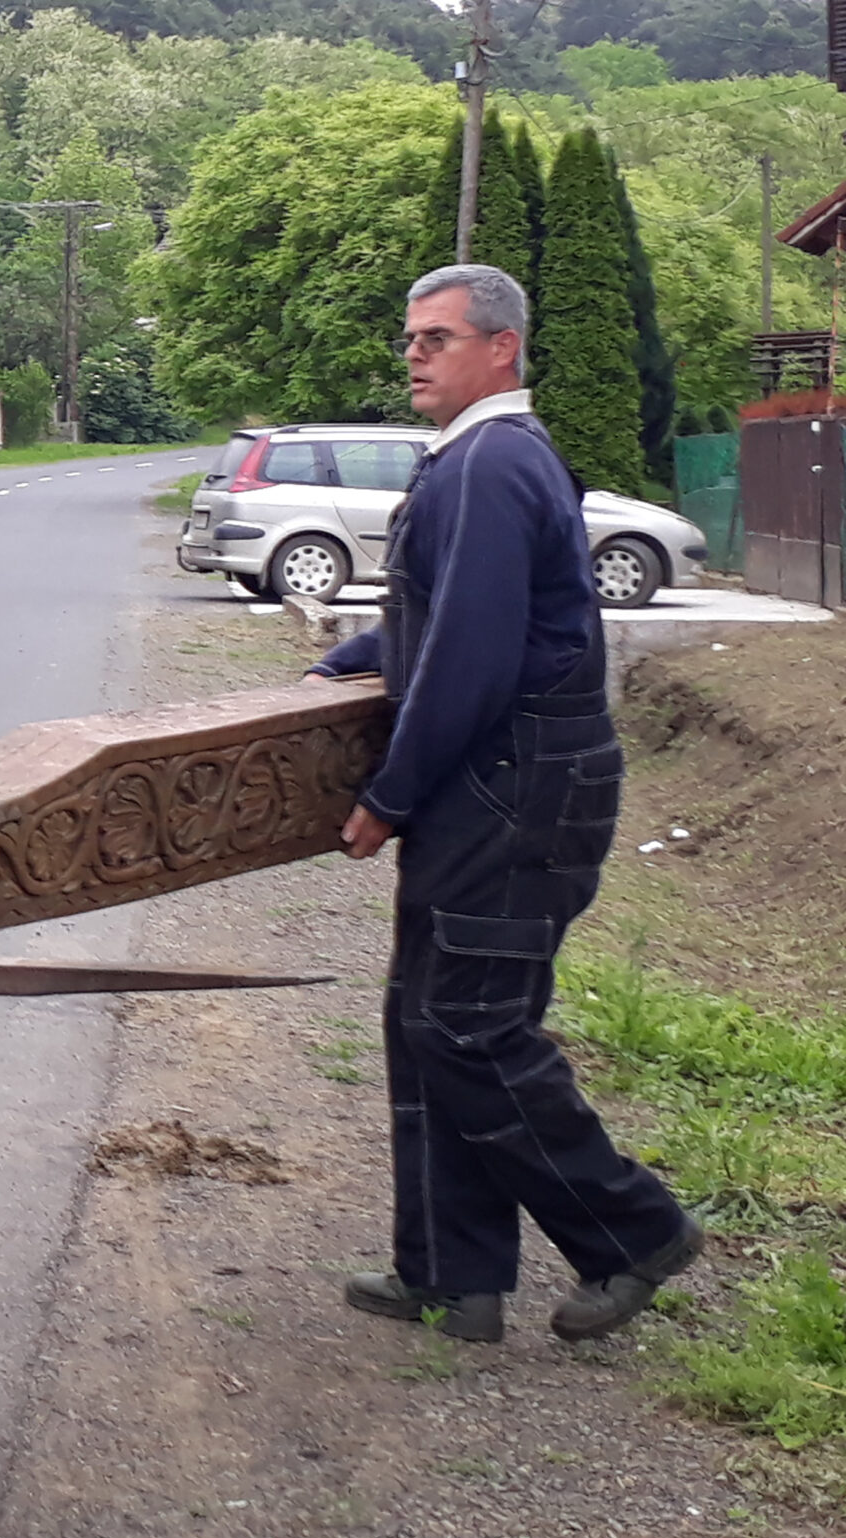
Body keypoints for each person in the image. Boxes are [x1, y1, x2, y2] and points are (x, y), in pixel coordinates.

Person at [305, 263, 702, 1345]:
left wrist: (388, 794)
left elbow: (474, 660)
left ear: (501, 350)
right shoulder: (481, 461)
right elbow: (440, 620)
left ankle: (633, 1230)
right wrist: (343, 663)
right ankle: (452, 1277)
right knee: (425, 1020)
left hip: (518, 786)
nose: (414, 356)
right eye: (410, 339)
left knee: (467, 1026)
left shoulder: (489, 463)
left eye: (436, 338)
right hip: (500, 784)